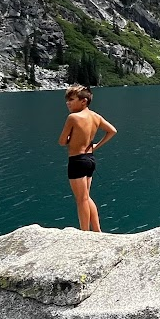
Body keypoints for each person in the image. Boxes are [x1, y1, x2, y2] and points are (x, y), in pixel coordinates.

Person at [59, 84, 117, 232]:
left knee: (81, 199)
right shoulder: (95, 116)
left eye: (71, 99)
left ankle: (85, 233)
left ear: (83, 101)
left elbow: (61, 141)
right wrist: (96, 146)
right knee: (86, 196)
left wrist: (71, 139)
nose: (68, 103)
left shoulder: (73, 118)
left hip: (77, 160)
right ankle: (97, 231)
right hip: (90, 159)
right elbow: (112, 131)